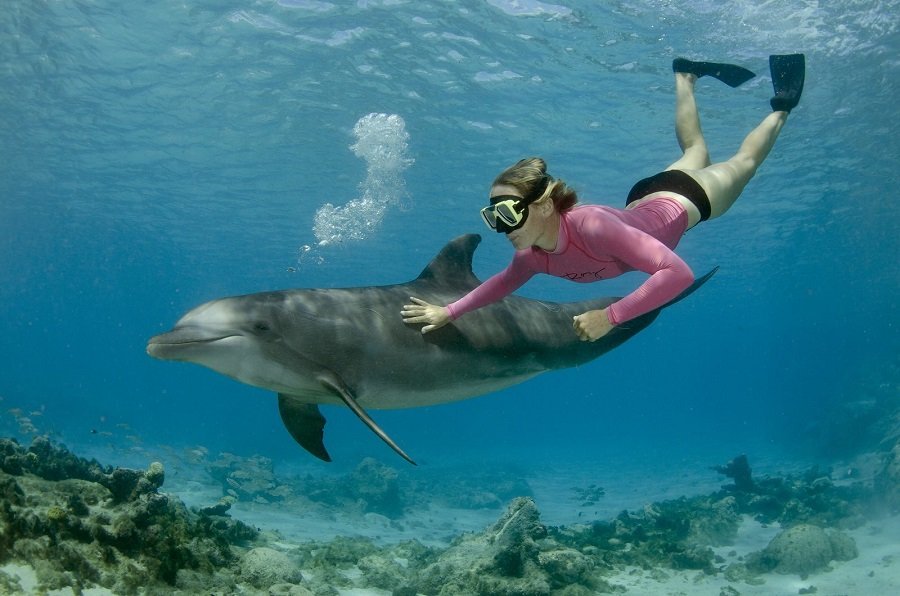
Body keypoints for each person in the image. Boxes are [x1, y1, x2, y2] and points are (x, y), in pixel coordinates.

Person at [401, 55, 805, 341]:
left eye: (507, 213)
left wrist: (611, 317)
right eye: (493, 216)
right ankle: (685, 75)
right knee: (695, 151)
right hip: (644, 198)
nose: (501, 228)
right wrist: (447, 311)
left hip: (689, 200)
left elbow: (677, 275)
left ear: (542, 205)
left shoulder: (592, 226)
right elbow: (499, 286)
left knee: (744, 161)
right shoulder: (532, 256)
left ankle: (782, 104)